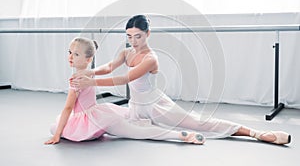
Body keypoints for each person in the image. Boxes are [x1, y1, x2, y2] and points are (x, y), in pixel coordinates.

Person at [71, 15, 291, 145]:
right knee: (130, 132)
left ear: (148, 34)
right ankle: (184, 136)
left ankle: (256, 133)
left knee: (199, 122)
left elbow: (126, 78)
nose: (133, 41)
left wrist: (91, 82)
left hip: (156, 105)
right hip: (137, 107)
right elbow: (109, 67)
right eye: (129, 36)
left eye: (138, 36)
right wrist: (90, 72)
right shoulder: (126, 53)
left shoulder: (151, 58)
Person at [45, 37, 205, 145]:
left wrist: (57, 135)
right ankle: (177, 134)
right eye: (69, 52)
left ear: (88, 60)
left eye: (76, 54)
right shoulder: (88, 74)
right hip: (99, 115)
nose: (71, 56)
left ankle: (179, 135)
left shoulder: (76, 79)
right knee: (133, 131)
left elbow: (68, 108)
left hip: (93, 121)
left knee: (55, 127)